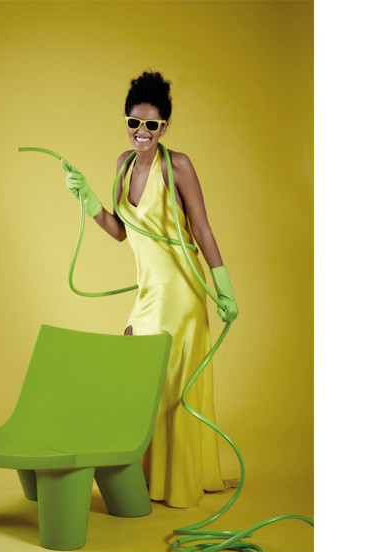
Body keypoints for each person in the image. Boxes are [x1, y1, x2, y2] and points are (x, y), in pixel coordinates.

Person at [63, 71, 239, 508]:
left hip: (180, 291)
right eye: (134, 122)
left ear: (165, 126)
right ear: (126, 122)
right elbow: (121, 231)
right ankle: (142, 478)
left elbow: (202, 228)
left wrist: (223, 287)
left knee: (169, 386)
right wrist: (88, 200)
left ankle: (174, 484)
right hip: (147, 292)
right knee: (140, 383)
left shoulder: (177, 166)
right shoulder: (123, 163)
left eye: (151, 125)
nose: (141, 132)